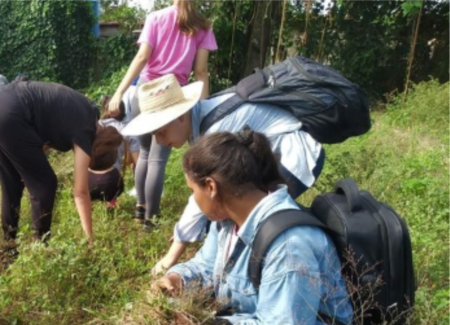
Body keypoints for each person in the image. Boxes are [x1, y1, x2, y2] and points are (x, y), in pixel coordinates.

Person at [154, 129, 356, 325]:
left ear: (211, 186)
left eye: (192, 190)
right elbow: (205, 267)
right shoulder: (229, 222)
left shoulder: (290, 246)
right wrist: (176, 278)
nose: (192, 199)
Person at [121, 75, 327, 276]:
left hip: (295, 156)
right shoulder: (201, 119)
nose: (159, 141)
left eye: (161, 132)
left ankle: (263, 272)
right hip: (269, 157)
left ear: (180, 116)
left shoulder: (215, 129)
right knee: (225, 210)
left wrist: (172, 255)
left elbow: (200, 197)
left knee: (248, 212)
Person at [108, 0, 217, 230]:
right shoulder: (203, 26)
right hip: (170, 96)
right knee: (157, 159)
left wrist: (119, 92)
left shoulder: (155, 18)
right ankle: (151, 219)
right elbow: (201, 71)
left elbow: (141, 58)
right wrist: (204, 108)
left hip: (144, 93)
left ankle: (140, 207)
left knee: (145, 152)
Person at [0, 81, 115, 243]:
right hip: (10, 112)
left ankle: (9, 242)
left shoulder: (86, 110)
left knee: (12, 181)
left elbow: (46, 128)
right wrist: (90, 239)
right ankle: (40, 243)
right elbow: (80, 193)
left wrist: (28, 164)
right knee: (45, 184)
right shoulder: (86, 133)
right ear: (96, 152)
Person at [99, 94, 140, 174]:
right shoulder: (127, 131)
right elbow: (133, 161)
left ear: (105, 110)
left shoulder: (96, 126)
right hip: (112, 174)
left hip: (90, 173)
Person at [87, 126, 125, 208]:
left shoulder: (91, 146)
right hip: (110, 185)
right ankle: (111, 202)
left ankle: (88, 204)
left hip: (90, 183)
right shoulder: (111, 150)